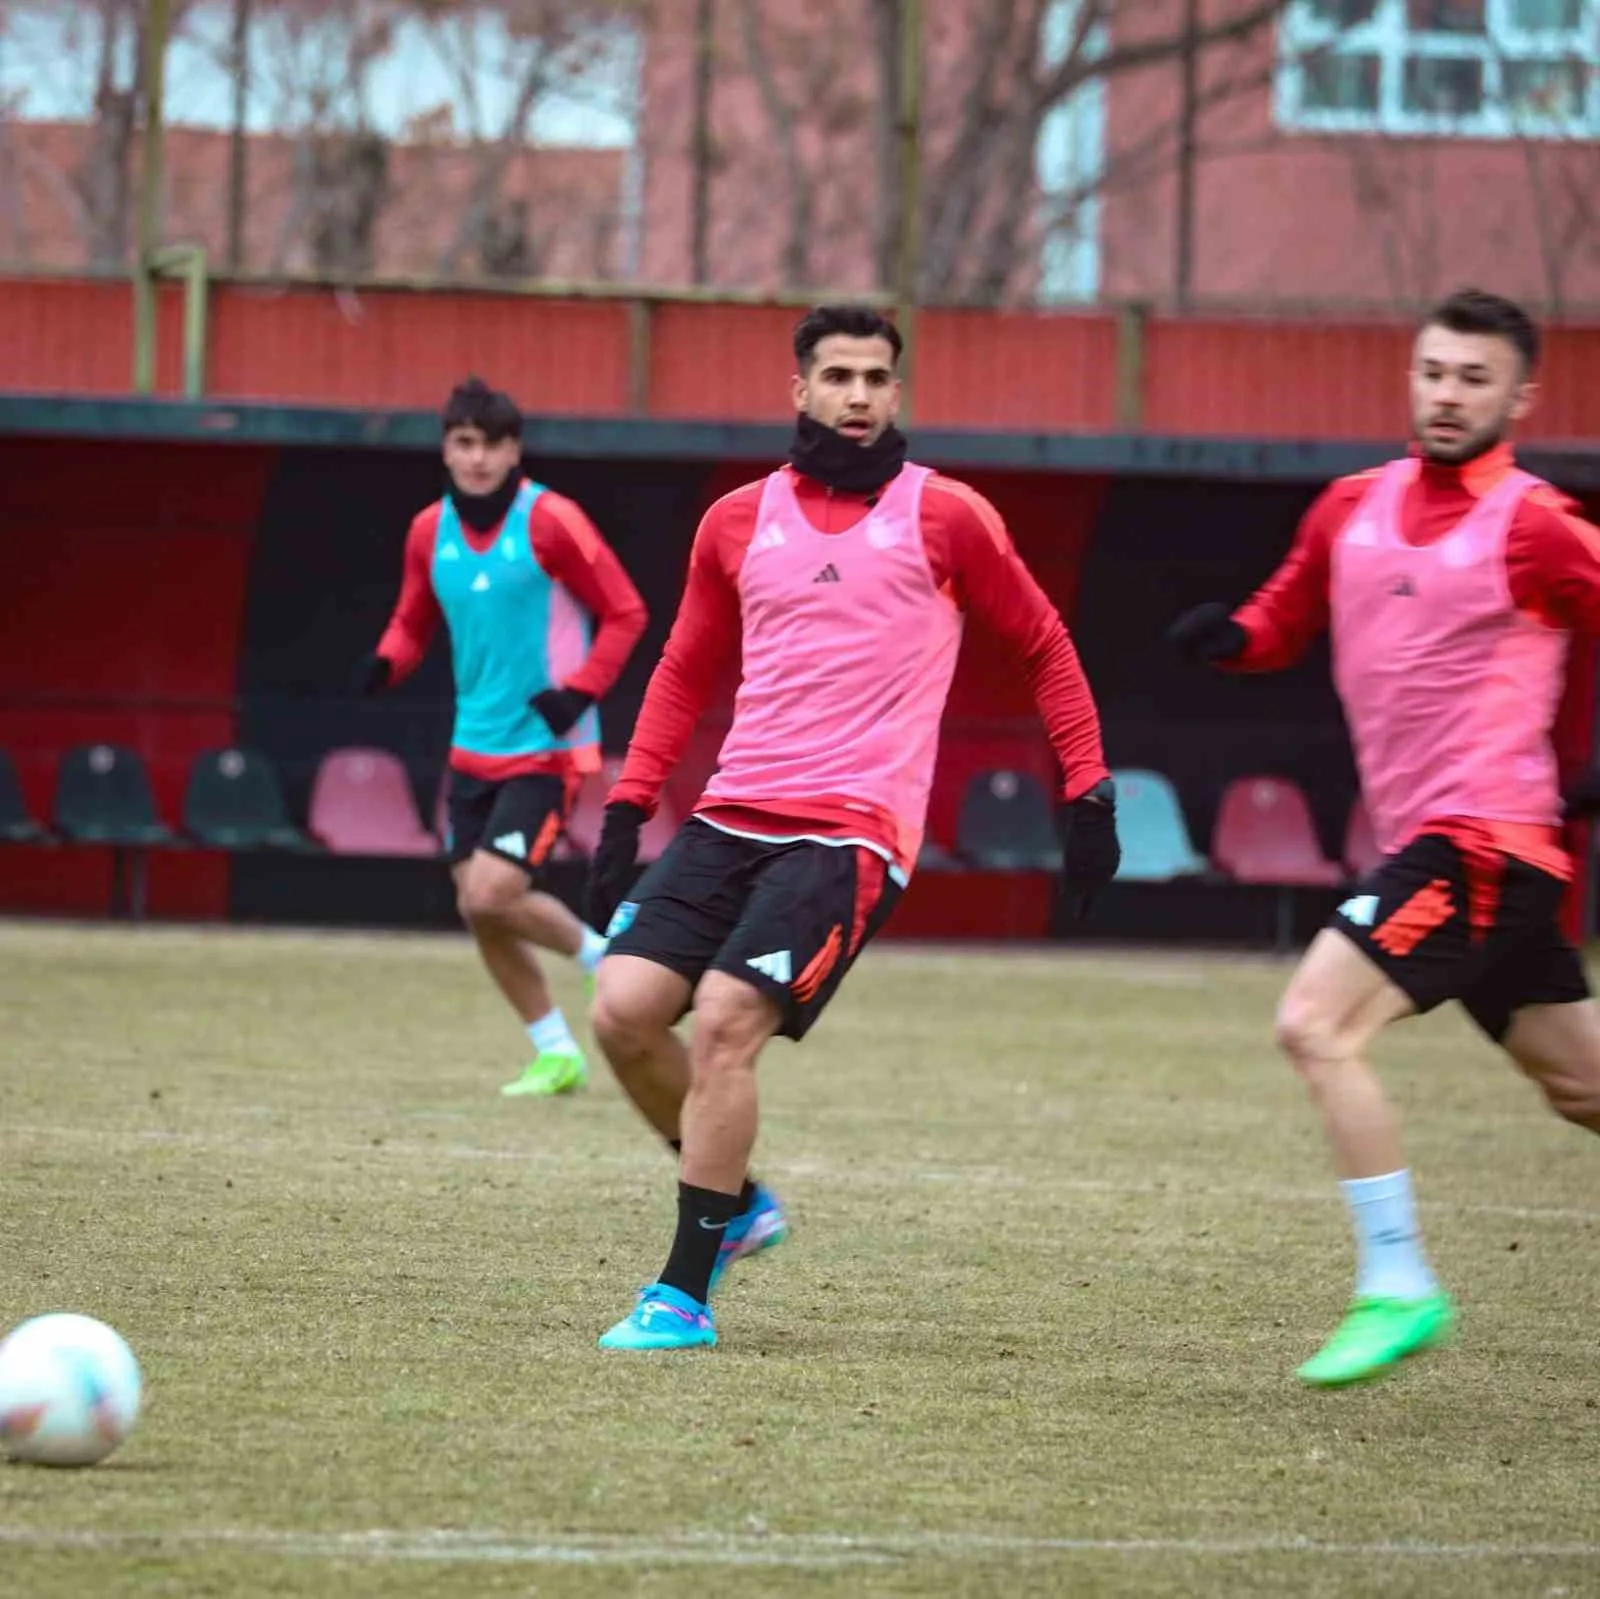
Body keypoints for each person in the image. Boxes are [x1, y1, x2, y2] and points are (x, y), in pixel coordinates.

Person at [579, 304, 1122, 1351]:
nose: (860, 395)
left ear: (897, 390)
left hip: (853, 832)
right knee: (621, 1012)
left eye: (877, 376)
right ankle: (738, 1203)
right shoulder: (736, 521)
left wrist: (1089, 792)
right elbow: (687, 666)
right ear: (800, 391)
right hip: (732, 813)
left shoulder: (947, 516)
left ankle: (681, 1295)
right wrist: (627, 805)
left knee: (729, 1019)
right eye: (838, 376)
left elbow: (1045, 645)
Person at [1169, 288, 1600, 1387]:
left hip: (1481, 844)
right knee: (1581, 1089)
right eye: (1432, 372)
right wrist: (1233, 637)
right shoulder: (1349, 507)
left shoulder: (1537, 523)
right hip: (1448, 850)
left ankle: (1396, 1284)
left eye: (1472, 378)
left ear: (1519, 396)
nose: (1447, 394)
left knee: (1313, 1024)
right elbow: (1285, 614)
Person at [356, 377, 648, 1097]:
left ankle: (608, 957)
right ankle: (555, 1050)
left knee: (492, 893)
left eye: (492, 444)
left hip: (548, 746)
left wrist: (578, 691)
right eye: (464, 443)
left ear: (513, 450)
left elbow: (626, 612)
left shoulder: (552, 520)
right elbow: (412, 618)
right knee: (479, 909)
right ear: (446, 450)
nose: (478, 458)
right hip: (470, 749)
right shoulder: (429, 530)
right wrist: (387, 659)